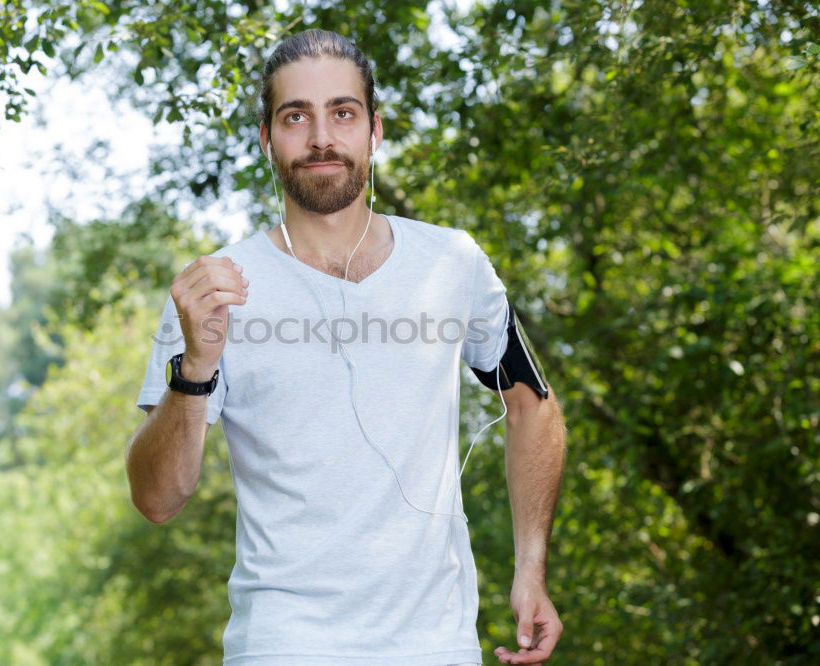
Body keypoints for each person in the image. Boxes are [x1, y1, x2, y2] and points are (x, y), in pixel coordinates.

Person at [126, 28, 566, 666]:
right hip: (283, 646)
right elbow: (156, 500)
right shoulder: (211, 291)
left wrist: (531, 570)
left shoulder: (452, 261)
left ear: (374, 131)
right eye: (295, 116)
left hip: (435, 645)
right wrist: (194, 369)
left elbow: (533, 405)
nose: (320, 137)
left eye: (342, 112)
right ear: (266, 138)